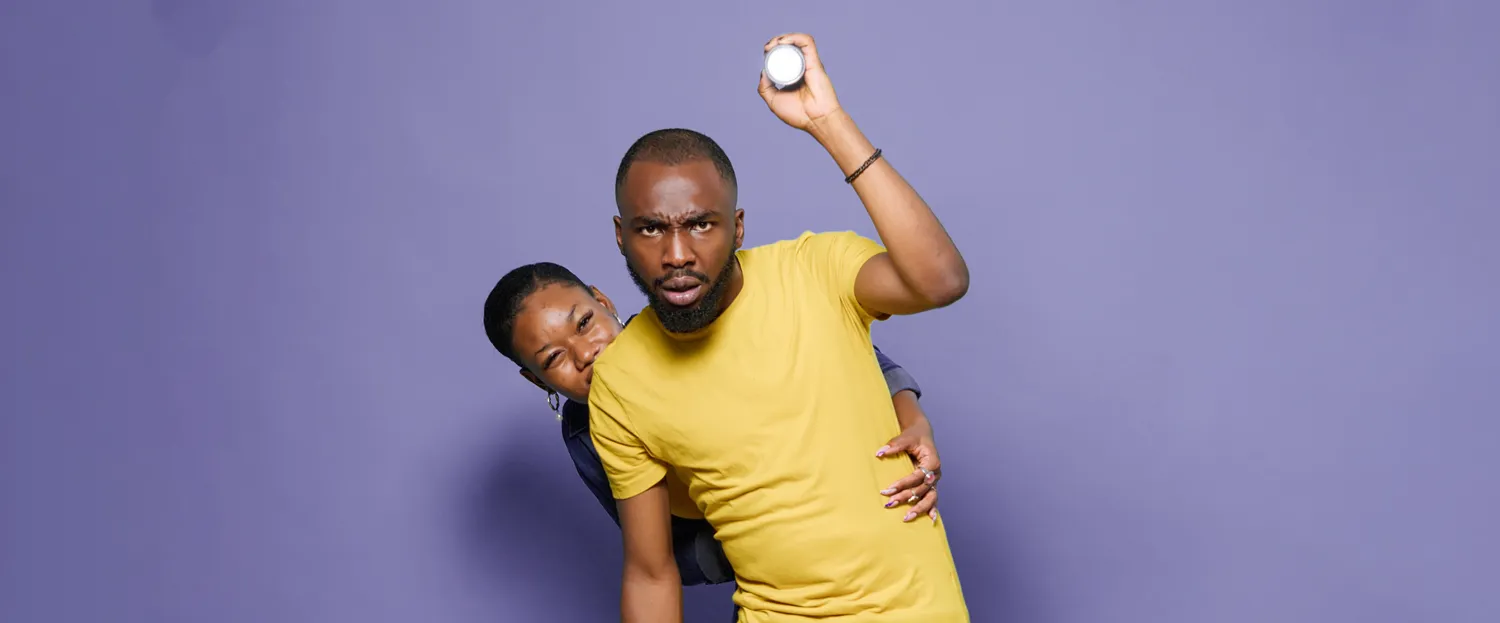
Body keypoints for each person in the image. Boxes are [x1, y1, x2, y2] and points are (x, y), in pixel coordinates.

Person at [589, 33, 970, 623]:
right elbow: (650, 572)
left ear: (738, 227)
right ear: (621, 235)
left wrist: (828, 122)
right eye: (651, 229)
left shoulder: (817, 270)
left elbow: (941, 280)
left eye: (701, 224)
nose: (677, 254)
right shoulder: (619, 382)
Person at [481, 262, 946, 593]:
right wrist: (750, 537)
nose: (586, 354)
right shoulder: (585, 435)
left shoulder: (683, 321)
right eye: (553, 359)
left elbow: (848, 349)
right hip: (779, 589)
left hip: (879, 544)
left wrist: (913, 422)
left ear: (603, 302)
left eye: (585, 322)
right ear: (535, 379)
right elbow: (662, 559)